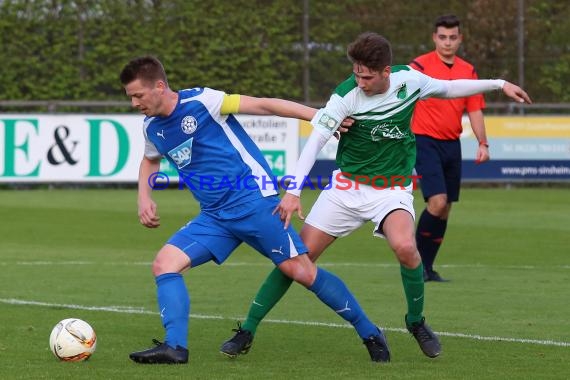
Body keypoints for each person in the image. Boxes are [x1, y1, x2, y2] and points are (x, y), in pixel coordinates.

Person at [220, 32, 531, 360]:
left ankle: (416, 321)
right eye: (356, 73)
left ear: (386, 72)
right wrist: (294, 191)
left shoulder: (409, 81)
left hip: (392, 188)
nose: (360, 81)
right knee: (296, 260)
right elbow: (315, 141)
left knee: (406, 247)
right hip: (345, 189)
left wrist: (498, 83)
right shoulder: (344, 97)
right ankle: (248, 329)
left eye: (366, 76)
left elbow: (450, 88)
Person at [120, 56, 391, 364]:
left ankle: (370, 332)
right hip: (214, 216)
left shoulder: (203, 101)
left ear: (159, 86)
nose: (134, 103)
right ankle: (175, 347)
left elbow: (265, 105)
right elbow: (150, 160)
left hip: (254, 201)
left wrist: (320, 117)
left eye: (138, 95)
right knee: (164, 264)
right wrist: (144, 196)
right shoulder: (152, 127)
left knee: (301, 272)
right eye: (130, 96)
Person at [410, 14, 488, 282]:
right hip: (424, 141)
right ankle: (414, 265)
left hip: (451, 144)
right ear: (434, 38)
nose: (447, 42)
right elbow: (400, 101)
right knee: (437, 201)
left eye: (452, 37)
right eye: (442, 37)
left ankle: (427, 269)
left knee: (446, 208)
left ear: (460, 39)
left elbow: (475, 110)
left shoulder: (468, 71)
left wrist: (483, 142)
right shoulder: (419, 66)